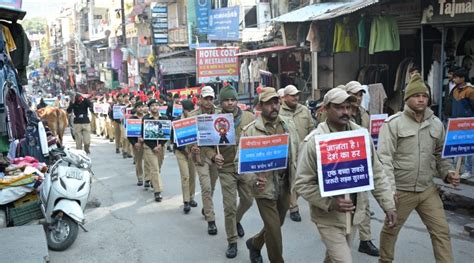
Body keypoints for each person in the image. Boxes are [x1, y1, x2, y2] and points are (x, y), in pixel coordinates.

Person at [294, 87, 397, 263]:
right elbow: (302, 184)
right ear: (326, 109)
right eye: (339, 107)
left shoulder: (361, 136)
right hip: (328, 218)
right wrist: (331, 202)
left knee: (333, 258)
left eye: (348, 107)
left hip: (355, 215)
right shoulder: (314, 142)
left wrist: (388, 205)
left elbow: (376, 172)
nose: (346, 112)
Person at [378, 73, 460, 263]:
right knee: (390, 231)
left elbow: (440, 156)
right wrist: (389, 191)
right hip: (401, 191)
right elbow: (384, 160)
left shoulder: (436, 124)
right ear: (407, 98)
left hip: (427, 190)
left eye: (424, 95)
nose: (421, 99)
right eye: (416, 95)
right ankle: (384, 261)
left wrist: (447, 174)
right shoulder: (393, 124)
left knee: (441, 231)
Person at [242, 87, 299, 263]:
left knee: (276, 224)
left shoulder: (288, 125)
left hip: (285, 184)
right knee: (274, 230)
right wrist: (254, 179)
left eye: (276, 102)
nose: (274, 107)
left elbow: (297, 152)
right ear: (261, 106)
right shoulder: (250, 130)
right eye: (269, 103)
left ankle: (255, 243)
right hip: (264, 188)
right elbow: (241, 164)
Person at [205, 84, 254, 258]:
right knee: (229, 206)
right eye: (226, 100)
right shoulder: (213, 120)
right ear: (221, 102)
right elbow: (207, 147)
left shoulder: (249, 117)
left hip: (244, 166)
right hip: (225, 168)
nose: (230, 103)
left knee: (248, 200)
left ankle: (237, 221)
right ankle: (232, 240)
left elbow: (258, 137)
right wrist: (213, 156)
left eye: (233, 99)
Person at [343, 81, 380, 256]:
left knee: (363, 202)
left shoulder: (364, 114)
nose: (358, 98)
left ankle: (365, 239)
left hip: (360, 163)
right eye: (354, 94)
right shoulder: (340, 113)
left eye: (360, 94)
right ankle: (339, 235)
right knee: (345, 203)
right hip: (341, 164)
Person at [278, 84, 315, 222]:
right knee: (292, 180)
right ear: (285, 97)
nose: (295, 97)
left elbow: (311, 128)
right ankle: (293, 208)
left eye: (297, 95)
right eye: (292, 95)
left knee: (304, 181)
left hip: (304, 151)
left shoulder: (304, 110)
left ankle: (288, 201)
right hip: (288, 153)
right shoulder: (279, 112)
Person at [188, 86, 219, 235]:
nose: (208, 101)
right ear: (200, 99)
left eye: (210, 98)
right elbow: (185, 136)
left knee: (211, 187)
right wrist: (191, 147)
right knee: (205, 187)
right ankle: (211, 220)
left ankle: (206, 207)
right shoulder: (192, 116)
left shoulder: (220, 114)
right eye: (205, 98)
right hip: (200, 156)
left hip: (216, 155)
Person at [173, 99, 198, 213]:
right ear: (184, 110)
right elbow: (173, 139)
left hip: (193, 152)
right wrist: (184, 150)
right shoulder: (177, 121)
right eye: (188, 110)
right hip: (181, 152)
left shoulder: (196, 120)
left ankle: (192, 197)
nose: (190, 112)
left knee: (192, 176)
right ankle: (186, 201)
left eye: (191, 110)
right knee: (185, 176)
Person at [141, 99, 168, 201]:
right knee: (154, 168)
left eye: (156, 105)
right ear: (149, 108)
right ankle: (157, 191)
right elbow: (144, 135)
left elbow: (166, 134)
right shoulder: (146, 119)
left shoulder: (164, 118)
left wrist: (160, 145)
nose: (155, 107)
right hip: (149, 147)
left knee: (159, 166)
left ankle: (154, 180)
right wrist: (153, 147)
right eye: (152, 106)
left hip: (161, 146)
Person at [450, 68, 474, 179]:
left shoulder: (470, 90)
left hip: (468, 123)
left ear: (463, 78)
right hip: (456, 122)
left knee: (468, 148)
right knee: (456, 147)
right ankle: (456, 169)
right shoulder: (454, 90)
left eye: (456, 77)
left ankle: (468, 170)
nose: (454, 79)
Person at [127, 101, 147, 186]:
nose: (141, 109)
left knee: (148, 162)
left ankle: (147, 178)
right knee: (138, 161)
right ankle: (140, 178)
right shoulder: (132, 118)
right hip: (137, 144)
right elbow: (129, 134)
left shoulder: (148, 117)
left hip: (147, 144)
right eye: (139, 107)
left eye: (142, 107)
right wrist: (134, 143)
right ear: (136, 108)